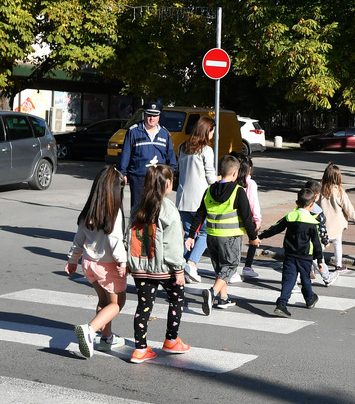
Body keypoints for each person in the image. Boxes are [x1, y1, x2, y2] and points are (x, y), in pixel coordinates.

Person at [126, 164, 190, 363]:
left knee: (143, 307)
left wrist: (130, 263)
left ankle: (140, 348)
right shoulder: (168, 209)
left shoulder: (137, 207)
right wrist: (179, 270)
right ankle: (171, 339)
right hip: (163, 267)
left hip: (140, 267)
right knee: (177, 298)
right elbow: (172, 244)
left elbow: (129, 237)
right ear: (168, 184)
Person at [185, 155, 261, 316]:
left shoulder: (209, 190)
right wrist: (253, 237)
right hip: (230, 237)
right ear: (235, 174)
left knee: (220, 268)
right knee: (230, 266)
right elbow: (246, 217)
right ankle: (212, 293)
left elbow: (200, 214)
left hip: (212, 236)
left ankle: (223, 298)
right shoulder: (238, 191)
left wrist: (192, 235)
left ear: (220, 171)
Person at [68, 166, 128, 359]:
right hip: (107, 266)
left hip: (89, 264)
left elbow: (78, 239)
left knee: (104, 301)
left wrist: (72, 260)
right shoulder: (114, 212)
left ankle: (107, 338)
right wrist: (123, 262)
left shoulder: (88, 212)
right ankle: (90, 329)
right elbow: (115, 240)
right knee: (117, 303)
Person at [258, 188, 323, 317]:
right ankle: (310, 299)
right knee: (305, 279)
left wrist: (261, 236)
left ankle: (282, 304)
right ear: (312, 204)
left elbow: (275, 228)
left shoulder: (290, 217)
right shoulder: (312, 223)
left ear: (296, 202)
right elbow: (317, 243)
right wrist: (320, 260)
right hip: (305, 256)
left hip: (289, 255)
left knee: (288, 280)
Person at [176, 117, 217, 284]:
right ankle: (191, 263)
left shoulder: (182, 147)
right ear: (206, 131)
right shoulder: (206, 150)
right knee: (205, 232)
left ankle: (183, 268)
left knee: (188, 234)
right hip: (200, 200)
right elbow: (210, 177)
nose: (213, 134)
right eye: (212, 130)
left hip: (183, 198)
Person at [118, 101, 177, 214]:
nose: (152, 118)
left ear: (159, 117)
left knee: (156, 209)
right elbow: (125, 154)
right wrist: (123, 173)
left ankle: (155, 231)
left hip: (158, 179)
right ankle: (136, 231)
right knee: (137, 209)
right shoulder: (133, 131)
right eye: (149, 115)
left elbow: (171, 158)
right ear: (144, 115)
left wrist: (171, 175)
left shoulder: (164, 133)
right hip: (139, 178)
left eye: (155, 116)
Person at [319, 163, 355, 272]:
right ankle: (339, 265)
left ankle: (316, 264)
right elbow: (348, 208)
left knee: (321, 245)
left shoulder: (321, 190)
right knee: (337, 244)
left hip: (323, 223)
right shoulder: (339, 191)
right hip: (337, 223)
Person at [233, 153, 262, 280]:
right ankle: (247, 266)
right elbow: (253, 203)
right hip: (248, 217)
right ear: (249, 169)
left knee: (235, 244)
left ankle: (232, 269)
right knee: (253, 240)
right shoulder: (250, 183)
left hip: (233, 216)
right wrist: (257, 219)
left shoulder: (232, 181)